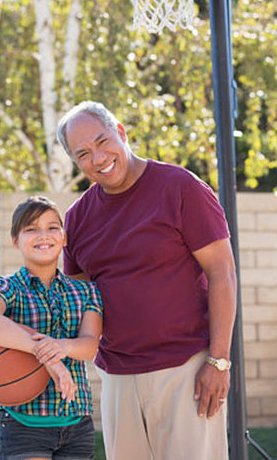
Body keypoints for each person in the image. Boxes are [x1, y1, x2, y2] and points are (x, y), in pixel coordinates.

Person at [57, 101, 237, 460]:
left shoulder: (180, 187)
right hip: (117, 377)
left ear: (121, 132)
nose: (98, 158)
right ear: (77, 164)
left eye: (103, 141)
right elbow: (77, 301)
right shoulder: (77, 219)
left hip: (185, 370)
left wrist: (218, 361)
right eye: (83, 154)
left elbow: (223, 273)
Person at [0, 195, 103, 460]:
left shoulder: (85, 291)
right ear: (15, 241)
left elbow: (91, 346)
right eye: (31, 229)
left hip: (77, 422)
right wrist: (44, 355)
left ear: (64, 238)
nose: (43, 235)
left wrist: (58, 347)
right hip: (24, 424)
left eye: (52, 227)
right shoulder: (7, 287)